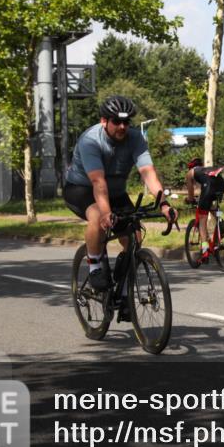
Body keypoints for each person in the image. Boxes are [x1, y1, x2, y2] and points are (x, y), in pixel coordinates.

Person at [63, 95, 177, 299]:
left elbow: (148, 173)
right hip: (81, 189)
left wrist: (164, 205)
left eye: (126, 122)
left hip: (115, 192)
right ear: (104, 121)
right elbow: (98, 182)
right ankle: (95, 265)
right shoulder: (90, 141)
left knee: (135, 236)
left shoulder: (135, 138)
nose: (122, 126)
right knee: (98, 217)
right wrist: (107, 213)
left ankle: (123, 292)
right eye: (116, 121)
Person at [185, 157, 224, 263]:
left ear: (190, 166)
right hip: (221, 185)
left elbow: (191, 193)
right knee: (213, 208)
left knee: (202, 219)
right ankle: (220, 227)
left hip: (208, 187)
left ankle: (205, 250)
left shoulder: (190, 172)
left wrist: (189, 199)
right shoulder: (206, 170)